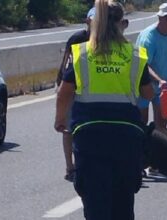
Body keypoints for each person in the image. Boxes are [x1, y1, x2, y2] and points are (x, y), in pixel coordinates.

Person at [54, 0, 153, 219]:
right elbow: (148, 94)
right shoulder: (135, 54)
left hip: (90, 137)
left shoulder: (81, 52)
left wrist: (60, 120)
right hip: (126, 137)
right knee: (123, 204)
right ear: (121, 23)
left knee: (95, 203)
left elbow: (64, 92)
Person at [56, 7, 95, 182]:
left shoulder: (105, 40)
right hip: (73, 86)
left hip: (92, 90)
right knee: (69, 128)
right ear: (87, 21)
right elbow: (66, 63)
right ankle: (69, 166)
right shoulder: (78, 39)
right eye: (92, 21)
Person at [136, 3, 167, 129]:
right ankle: (142, 147)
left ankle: (158, 147)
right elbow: (143, 65)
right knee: (142, 122)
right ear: (160, 18)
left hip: (163, 89)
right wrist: (159, 80)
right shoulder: (148, 38)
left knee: (162, 124)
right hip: (144, 85)